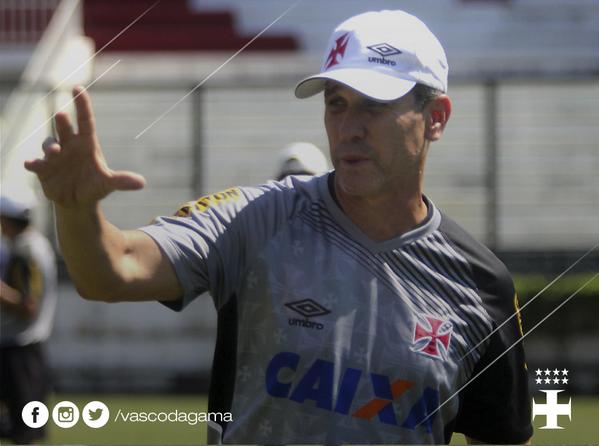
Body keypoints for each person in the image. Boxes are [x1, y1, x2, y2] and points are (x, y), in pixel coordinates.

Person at [24, 9, 532, 444]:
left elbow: (500, 436)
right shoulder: (257, 218)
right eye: (336, 103)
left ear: (435, 117)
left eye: (375, 105)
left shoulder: (479, 285)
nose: (348, 127)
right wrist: (76, 210)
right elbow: (112, 270)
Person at [0, 192, 57, 445]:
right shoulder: (32, 244)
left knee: (26, 432)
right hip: (23, 350)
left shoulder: (26, 250)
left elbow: (28, 306)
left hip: (21, 352)